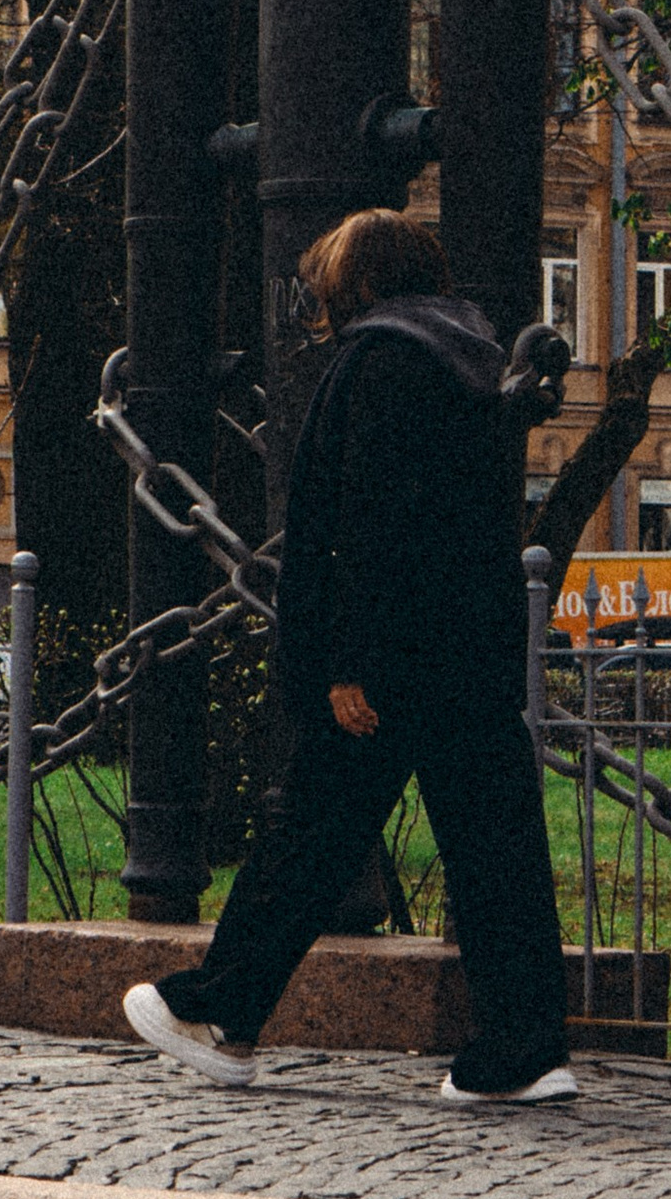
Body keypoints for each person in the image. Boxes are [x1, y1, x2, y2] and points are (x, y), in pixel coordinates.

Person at [124, 208, 575, 1105]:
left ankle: (223, 1014)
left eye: (329, 279)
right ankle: (522, 1052)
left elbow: (361, 525)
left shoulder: (377, 362)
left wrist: (344, 660)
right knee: (496, 852)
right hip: (469, 652)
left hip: (389, 660)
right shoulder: (471, 361)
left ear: (357, 283)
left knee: (310, 838)